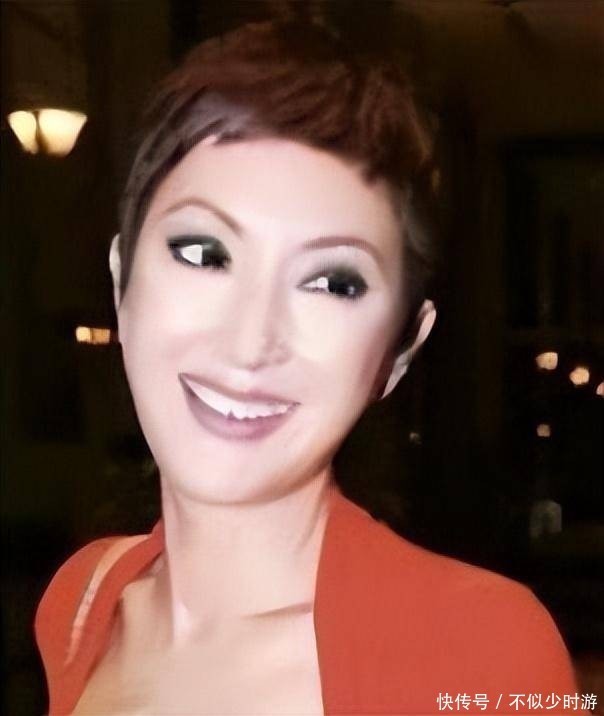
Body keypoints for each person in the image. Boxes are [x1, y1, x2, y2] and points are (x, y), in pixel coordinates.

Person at [35, 19, 583, 715]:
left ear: (400, 351)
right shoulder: (83, 601)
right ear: (122, 282)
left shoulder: (483, 651)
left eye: (332, 283)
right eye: (204, 253)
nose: (249, 341)